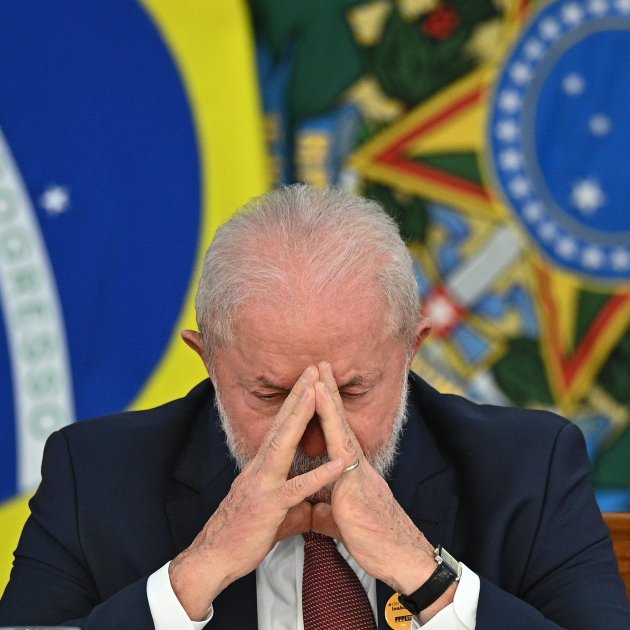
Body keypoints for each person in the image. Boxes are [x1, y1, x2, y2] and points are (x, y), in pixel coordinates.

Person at [0, 184, 629, 629]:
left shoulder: (529, 469)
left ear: (410, 351)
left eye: (352, 392)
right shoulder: (96, 476)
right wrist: (195, 574)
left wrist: (426, 576)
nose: (314, 434)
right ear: (208, 359)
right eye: (272, 394)